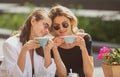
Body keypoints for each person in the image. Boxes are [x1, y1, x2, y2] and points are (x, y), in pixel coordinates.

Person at [0, 8, 66, 77]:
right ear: (33, 21)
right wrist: (24, 50)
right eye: (45, 25)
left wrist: (47, 52)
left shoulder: (42, 44)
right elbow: (15, 75)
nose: (47, 31)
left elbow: (48, 75)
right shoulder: (10, 44)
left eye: (49, 28)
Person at [49, 5, 94, 77]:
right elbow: (61, 75)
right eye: (56, 26)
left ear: (71, 22)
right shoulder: (51, 44)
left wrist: (83, 48)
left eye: (65, 24)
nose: (61, 29)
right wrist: (54, 49)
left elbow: (89, 74)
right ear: (52, 28)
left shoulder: (84, 38)